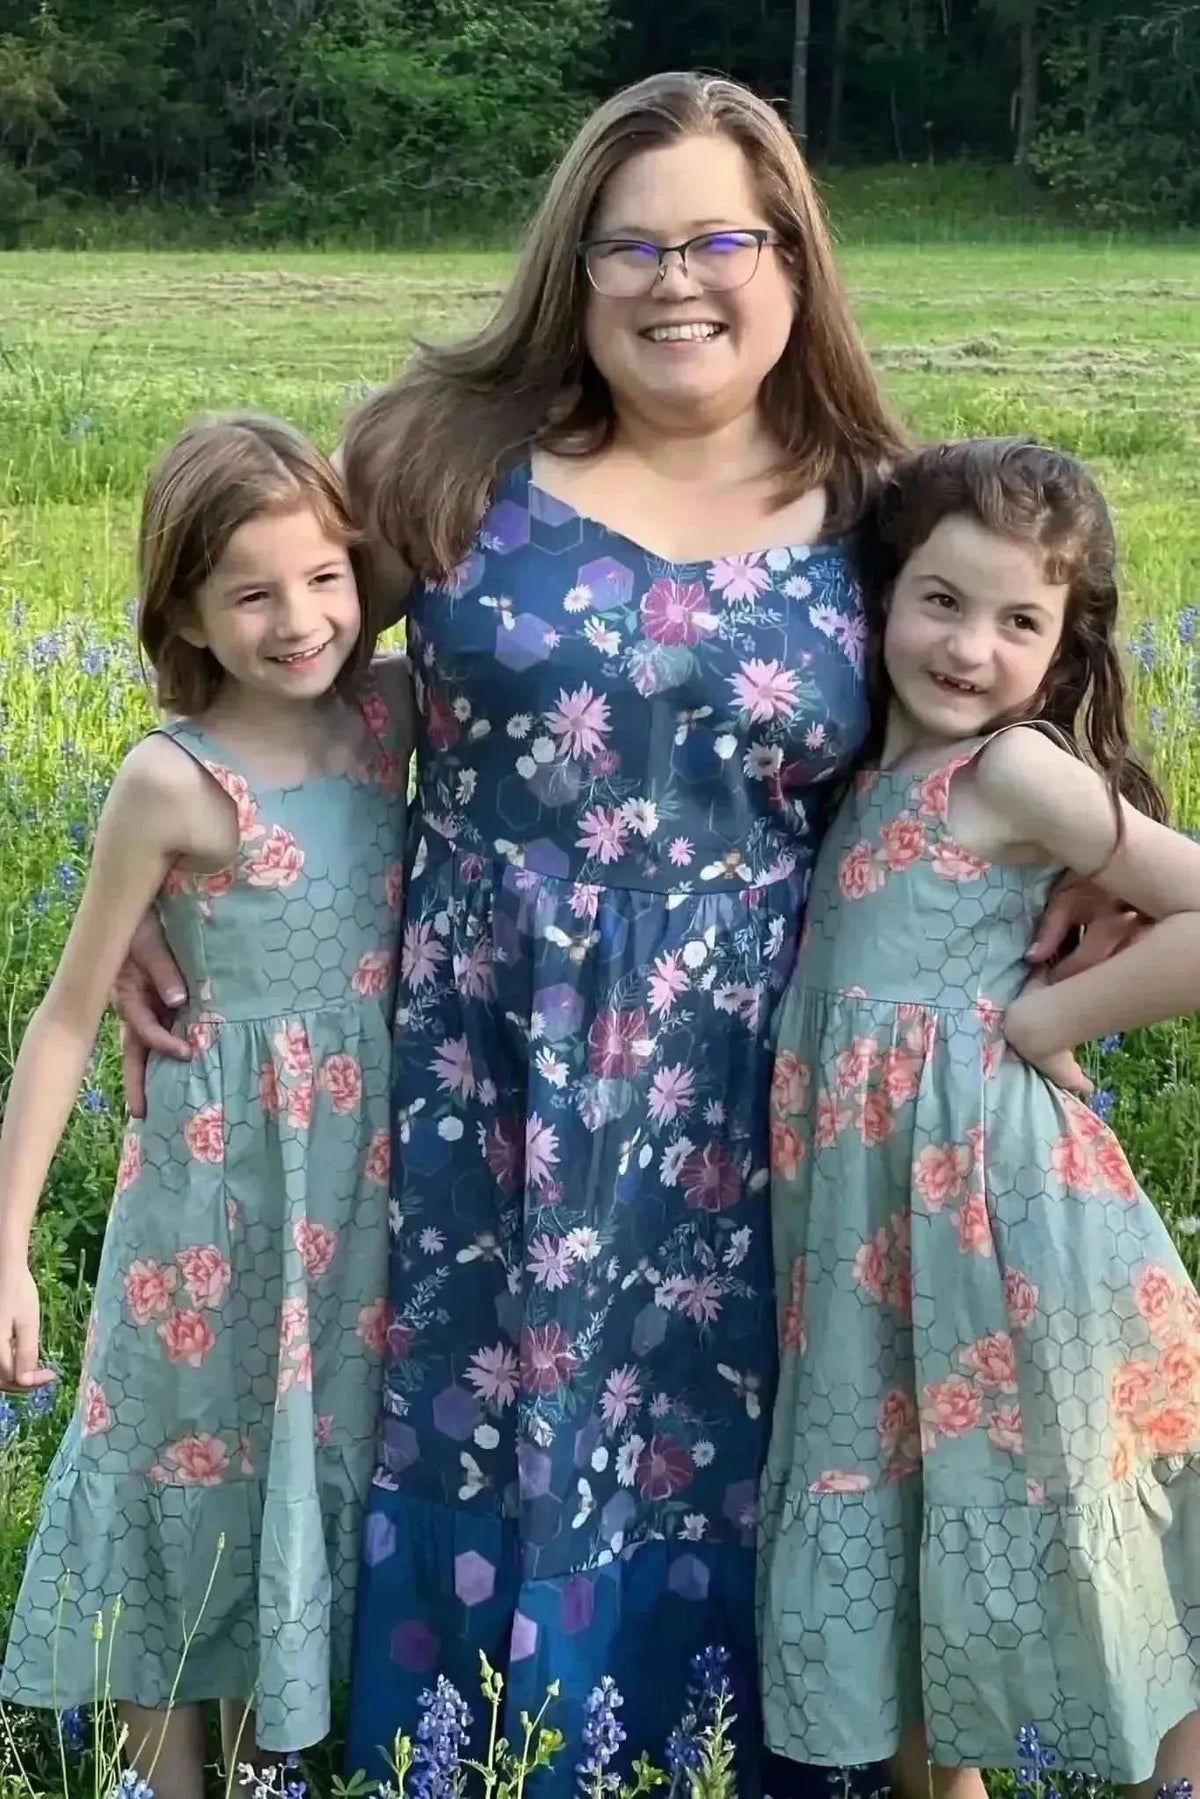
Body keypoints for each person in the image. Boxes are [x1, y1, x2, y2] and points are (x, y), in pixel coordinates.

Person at [107, 76, 1138, 1797]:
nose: (681, 279)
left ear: (794, 263)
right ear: (573, 271)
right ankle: (468, 1750)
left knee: (774, 1437)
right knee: (482, 1428)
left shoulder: (875, 507)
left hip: (762, 1077)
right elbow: (282, 670)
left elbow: (1000, 685)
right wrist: (172, 882)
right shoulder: (440, 461)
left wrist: (1103, 840)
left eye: (723, 237)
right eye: (634, 243)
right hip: (476, 1069)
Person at [758, 436, 1200, 1799]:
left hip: (1011, 1230)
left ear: (1064, 654)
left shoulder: (1009, 775)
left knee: (1084, 1527)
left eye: (1021, 622)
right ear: (883, 597)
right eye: (941, 600)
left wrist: (1040, 1021)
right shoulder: (855, 783)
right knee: (907, 1526)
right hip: (871, 1250)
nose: (969, 647)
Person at [0, 415, 413, 1799]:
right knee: (171, 1468)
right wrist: (6, 1244)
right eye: (250, 592)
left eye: (325, 578)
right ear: (181, 606)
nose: (301, 620)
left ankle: (256, 1768)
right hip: (207, 1200)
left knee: (289, 1477)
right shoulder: (169, 780)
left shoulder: (393, 720)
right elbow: (63, 1019)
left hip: (357, 1191)